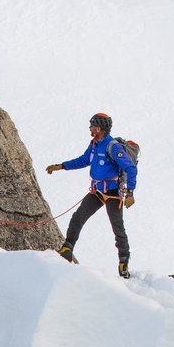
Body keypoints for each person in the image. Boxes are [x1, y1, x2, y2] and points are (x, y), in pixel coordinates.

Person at [46, 112, 137, 277]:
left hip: (112, 194)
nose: (89, 128)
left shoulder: (113, 147)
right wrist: (61, 166)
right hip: (97, 191)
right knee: (78, 217)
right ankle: (68, 248)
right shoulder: (95, 143)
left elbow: (130, 168)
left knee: (118, 229)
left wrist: (129, 192)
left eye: (92, 126)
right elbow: (84, 160)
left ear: (100, 128)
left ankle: (123, 264)